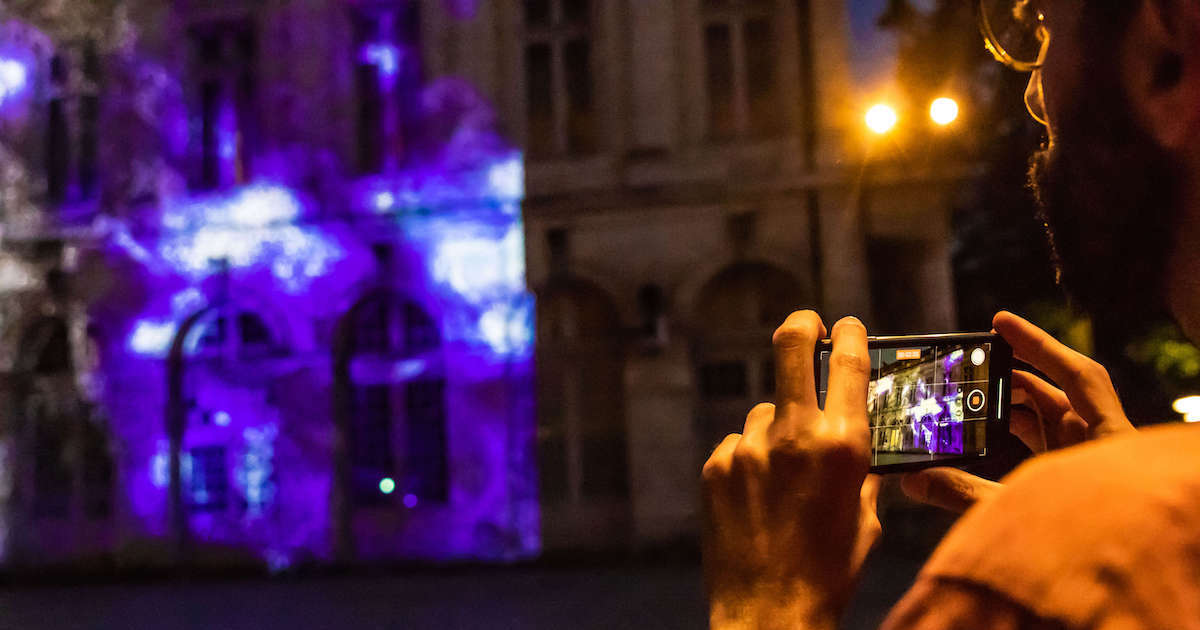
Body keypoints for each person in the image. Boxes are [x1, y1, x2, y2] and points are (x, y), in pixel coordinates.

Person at [701, 0, 1200, 628]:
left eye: (1043, 28)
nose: (1033, 98)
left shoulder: (1044, 584)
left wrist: (769, 604)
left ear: (1167, 53)